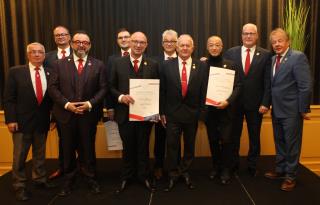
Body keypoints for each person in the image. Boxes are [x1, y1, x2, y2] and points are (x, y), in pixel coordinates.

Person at [48, 31, 107, 196]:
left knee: (88, 149)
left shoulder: (98, 65)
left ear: (90, 45)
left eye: (85, 42)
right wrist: (67, 105)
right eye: (78, 42)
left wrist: (89, 104)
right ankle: (68, 181)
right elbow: (52, 88)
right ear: (72, 44)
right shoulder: (58, 64)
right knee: (67, 149)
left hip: (88, 115)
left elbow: (103, 88)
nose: (81, 45)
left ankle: (91, 178)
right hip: (66, 115)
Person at [4, 42, 55, 201]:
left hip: (42, 122)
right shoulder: (15, 72)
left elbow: (52, 100)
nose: (38, 55)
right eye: (34, 52)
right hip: (21, 123)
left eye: (41, 52)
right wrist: (11, 119)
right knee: (19, 156)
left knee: (39, 154)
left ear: (44, 55)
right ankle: (19, 185)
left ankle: (39, 179)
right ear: (28, 55)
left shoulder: (50, 72)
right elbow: (9, 99)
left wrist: (52, 119)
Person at [110, 31, 159, 193]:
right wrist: (121, 97)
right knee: (128, 147)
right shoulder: (117, 63)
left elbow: (158, 89)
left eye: (142, 43)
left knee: (143, 147)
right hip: (124, 114)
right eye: (135, 42)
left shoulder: (153, 64)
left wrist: (156, 111)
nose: (138, 45)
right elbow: (110, 87)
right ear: (130, 43)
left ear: (146, 45)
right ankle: (126, 177)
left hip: (146, 115)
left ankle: (144, 176)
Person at [264, 28, 312, 191]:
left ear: (288, 41)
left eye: (280, 41)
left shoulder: (297, 57)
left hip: (292, 111)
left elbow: (305, 86)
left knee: (292, 145)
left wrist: (303, 109)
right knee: (280, 142)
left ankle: (291, 176)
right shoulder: (273, 60)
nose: (277, 44)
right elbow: (273, 86)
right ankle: (281, 170)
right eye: (274, 42)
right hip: (276, 110)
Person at [160, 34, 207, 192]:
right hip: (172, 114)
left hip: (192, 115)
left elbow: (203, 91)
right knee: (172, 146)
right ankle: (173, 174)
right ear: (176, 47)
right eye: (182, 45)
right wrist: (161, 112)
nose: (185, 48)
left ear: (192, 48)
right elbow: (162, 91)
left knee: (189, 146)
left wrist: (202, 114)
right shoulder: (166, 66)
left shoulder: (201, 66)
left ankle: (185, 172)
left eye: (188, 45)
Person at [224, 23, 271, 176]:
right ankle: (233, 164)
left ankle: (252, 165)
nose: (248, 36)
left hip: (256, 105)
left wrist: (265, 102)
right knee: (233, 136)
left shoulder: (265, 54)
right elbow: (222, 76)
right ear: (241, 35)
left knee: (254, 137)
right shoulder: (231, 53)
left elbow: (267, 82)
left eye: (252, 33)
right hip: (234, 104)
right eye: (245, 33)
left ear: (257, 36)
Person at [204, 36, 242, 184]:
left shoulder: (231, 65)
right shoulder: (202, 65)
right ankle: (216, 166)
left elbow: (239, 86)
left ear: (222, 47)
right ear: (207, 47)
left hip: (226, 111)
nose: (214, 48)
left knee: (226, 141)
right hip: (210, 112)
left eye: (217, 45)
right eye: (211, 45)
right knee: (213, 140)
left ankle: (226, 169)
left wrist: (228, 101)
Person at [44, 25, 73, 180]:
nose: (61, 37)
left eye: (63, 34)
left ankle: (81, 166)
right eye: (57, 35)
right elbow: (48, 85)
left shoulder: (79, 53)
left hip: (80, 106)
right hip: (58, 107)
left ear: (69, 37)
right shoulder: (47, 58)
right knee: (63, 141)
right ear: (54, 38)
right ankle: (63, 167)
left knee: (82, 141)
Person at [152, 29, 179, 180]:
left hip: (179, 109)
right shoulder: (154, 62)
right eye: (166, 41)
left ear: (177, 43)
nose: (169, 44)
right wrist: (159, 110)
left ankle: (175, 167)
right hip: (159, 108)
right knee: (160, 139)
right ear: (162, 44)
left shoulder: (185, 59)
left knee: (176, 141)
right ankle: (158, 166)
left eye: (172, 41)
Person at [105, 28, 131, 120]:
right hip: (119, 108)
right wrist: (110, 107)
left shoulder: (143, 56)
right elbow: (109, 84)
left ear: (131, 39)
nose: (123, 40)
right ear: (117, 41)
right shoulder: (112, 60)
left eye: (126, 37)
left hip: (140, 106)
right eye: (120, 38)